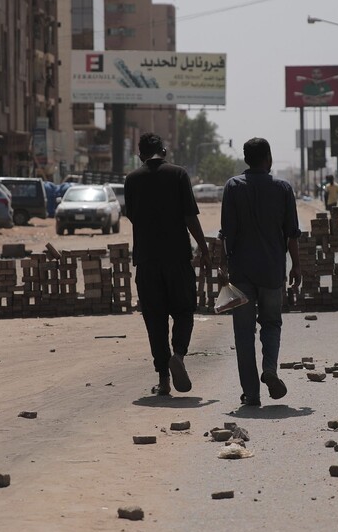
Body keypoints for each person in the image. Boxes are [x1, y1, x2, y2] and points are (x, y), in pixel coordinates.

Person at [123, 133, 211, 397]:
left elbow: (132, 217)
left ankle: (163, 379)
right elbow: (189, 217)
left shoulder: (132, 180)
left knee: (155, 319)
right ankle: (179, 355)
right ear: (163, 150)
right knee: (184, 311)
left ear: (140, 155)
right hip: (177, 259)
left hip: (147, 262)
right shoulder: (178, 174)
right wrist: (204, 250)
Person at [221, 138, 302, 407]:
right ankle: (270, 368)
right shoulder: (282, 188)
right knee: (271, 323)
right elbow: (291, 233)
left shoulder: (233, 187)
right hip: (272, 270)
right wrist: (297, 265)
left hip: (241, 272)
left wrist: (225, 266)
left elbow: (227, 233)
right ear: (268, 158)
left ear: (246, 159)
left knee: (243, 333)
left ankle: (251, 393)